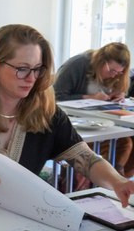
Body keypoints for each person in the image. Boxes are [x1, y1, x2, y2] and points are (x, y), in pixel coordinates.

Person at [0, 24, 134, 217]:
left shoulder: (46, 114)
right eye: (22, 68)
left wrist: (118, 182)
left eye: (37, 69)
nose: (31, 78)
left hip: (20, 220)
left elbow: (87, 160)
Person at [54, 43, 132, 177]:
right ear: (101, 61)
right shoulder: (77, 65)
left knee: (127, 142)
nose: (114, 76)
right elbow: (56, 95)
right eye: (112, 71)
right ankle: (110, 179)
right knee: (123, 143)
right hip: (75, 122)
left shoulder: (115, 75)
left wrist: (119, 95)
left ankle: (116, 180)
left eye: (119, 73)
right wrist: (89, 97)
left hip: (101, 119)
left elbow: (116, 90)